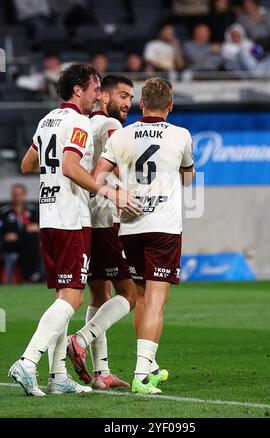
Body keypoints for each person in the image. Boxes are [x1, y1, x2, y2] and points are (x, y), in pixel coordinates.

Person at [8, 63, 140, 397]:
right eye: (96, 89)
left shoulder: (46, 120)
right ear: (78, 89)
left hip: (49, 214)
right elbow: (69, 166)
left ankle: (57, 376)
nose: (99, 96)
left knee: (62, 298)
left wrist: (55, 168)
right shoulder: (79, 122)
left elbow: (27, 165)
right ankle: (27, 360)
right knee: (74, 297)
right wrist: (108, 191)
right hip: (71, 216)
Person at [93, 77, 195, 394]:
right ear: (170, 105)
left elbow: (98, 177)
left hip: (130, 226)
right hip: (163, 227)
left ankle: (148, 368)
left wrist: (118, 194)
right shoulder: (181, 134)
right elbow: (189, 179)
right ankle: (140, 376)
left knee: (138, 296)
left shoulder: (122, 135)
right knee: (156, 302)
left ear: (140, 104)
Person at [68, 75, 136, 390]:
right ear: (104, 97)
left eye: (131, 97)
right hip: (104, 220)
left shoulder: (85, 123)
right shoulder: (111, 126)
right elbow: (122, 168)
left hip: (85, 218)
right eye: (122, 95)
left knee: (99, 294)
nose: (128, 103)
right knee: (129, 294)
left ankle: (101, 373)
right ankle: (80, 339)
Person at [0, 184, 41, 284]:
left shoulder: (34, 210)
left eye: (20, 194)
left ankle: (31, 275)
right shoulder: (4, 211)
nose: (17, 197)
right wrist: (5, 235)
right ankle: (29, 275)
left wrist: (38, 227)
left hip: (29, 244)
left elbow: (44, 226)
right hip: (10, 244)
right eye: (15, 195)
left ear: (25, 195)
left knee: (32, 241)